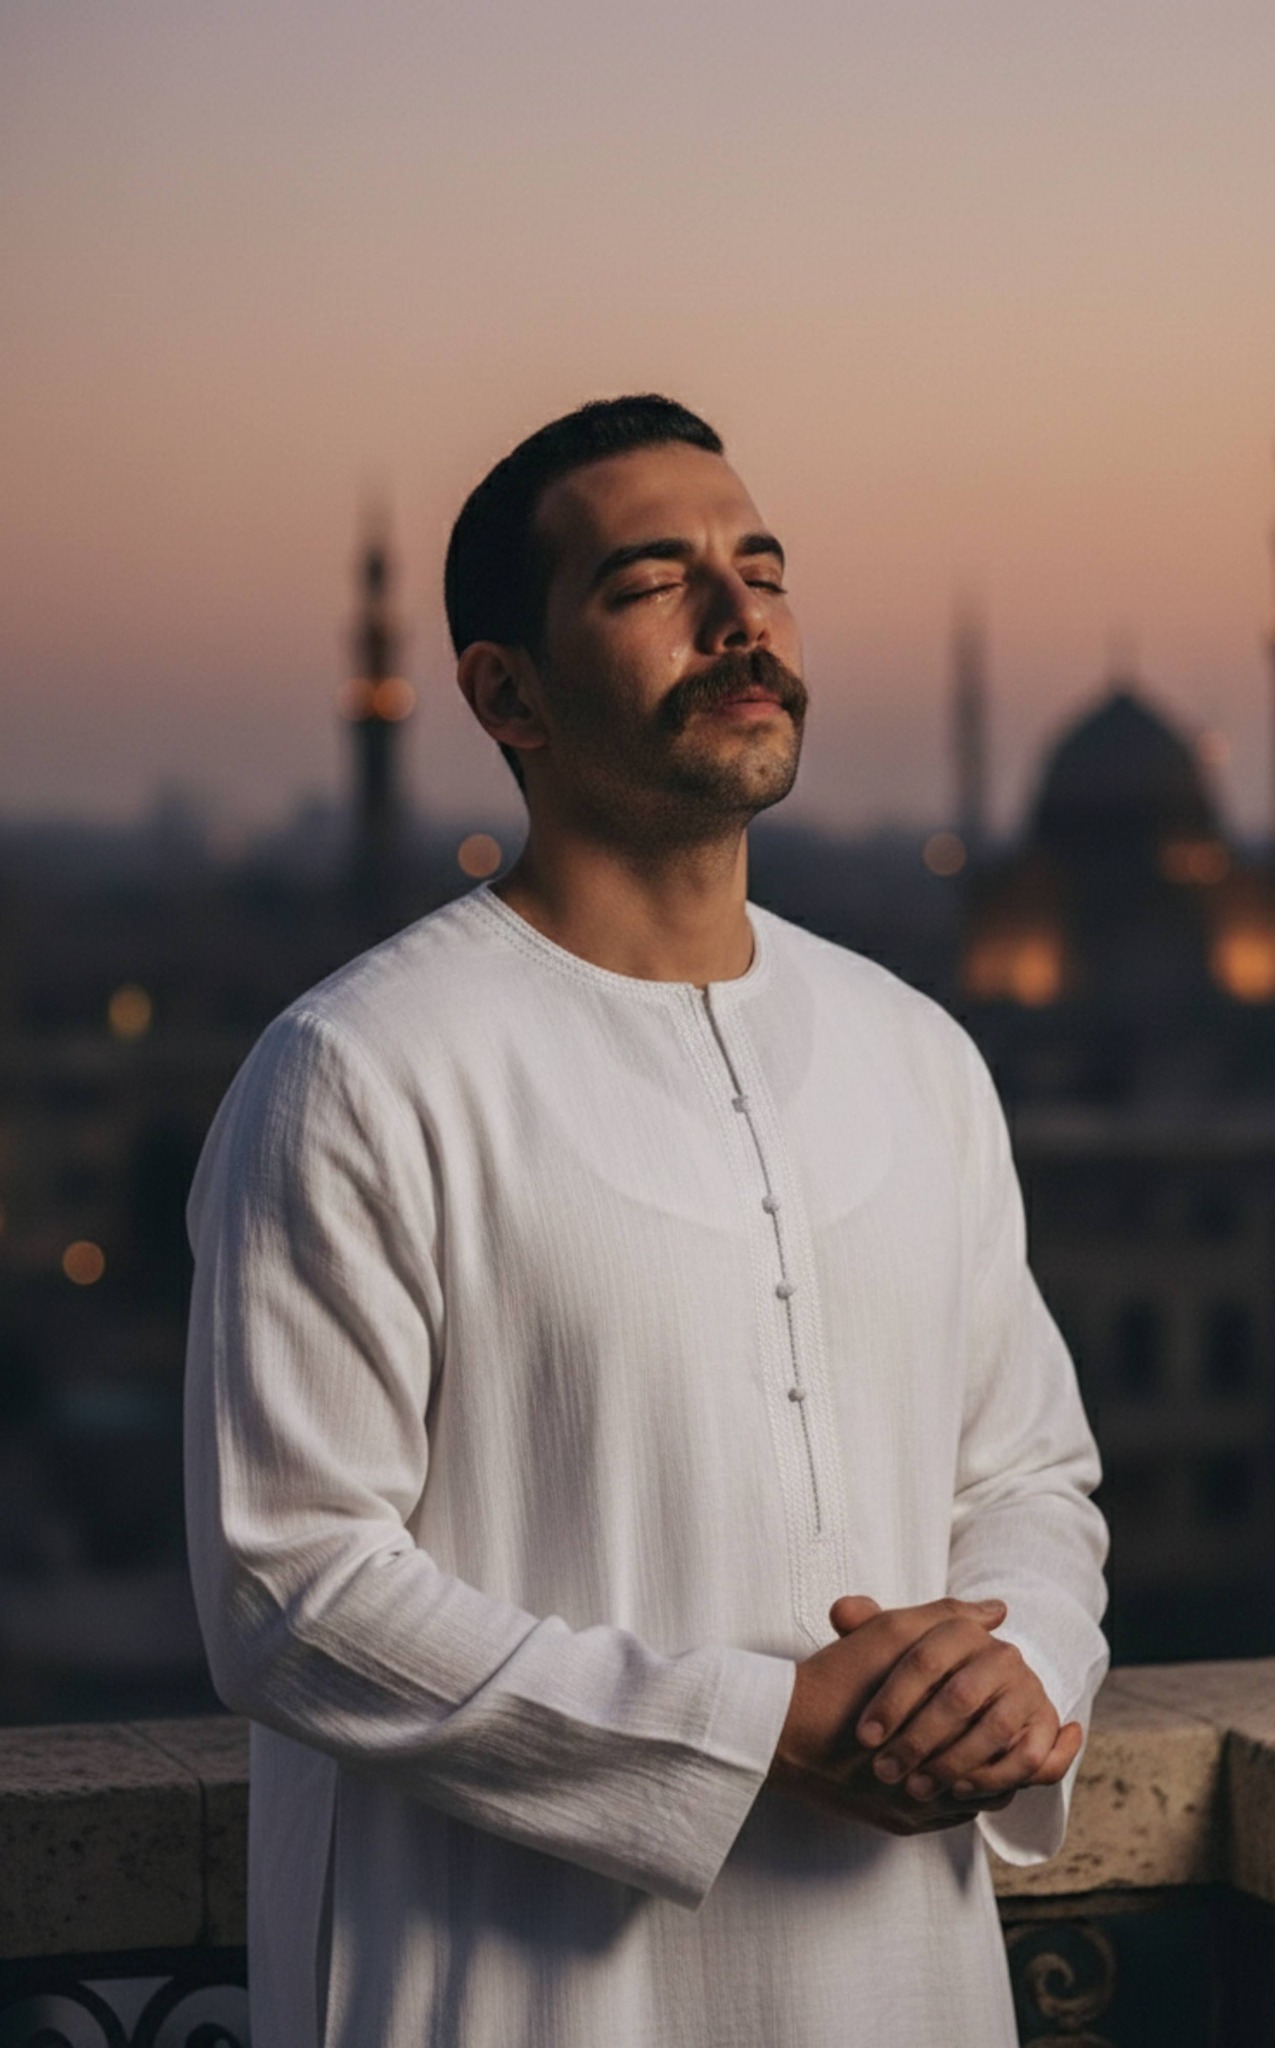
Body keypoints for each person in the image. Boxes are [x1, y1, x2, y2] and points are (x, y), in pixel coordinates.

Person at [184, 395, 1108, 2048]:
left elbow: (1025, 1476)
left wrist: (1018, 1663)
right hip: (509, 1994)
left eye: (761, 568)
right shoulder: (364, 1071)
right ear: (503, 692)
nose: (739, 616)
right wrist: (752, 1731)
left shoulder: (919, 1055)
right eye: (650, 582)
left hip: (899, 1983)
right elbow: (292, 1587)